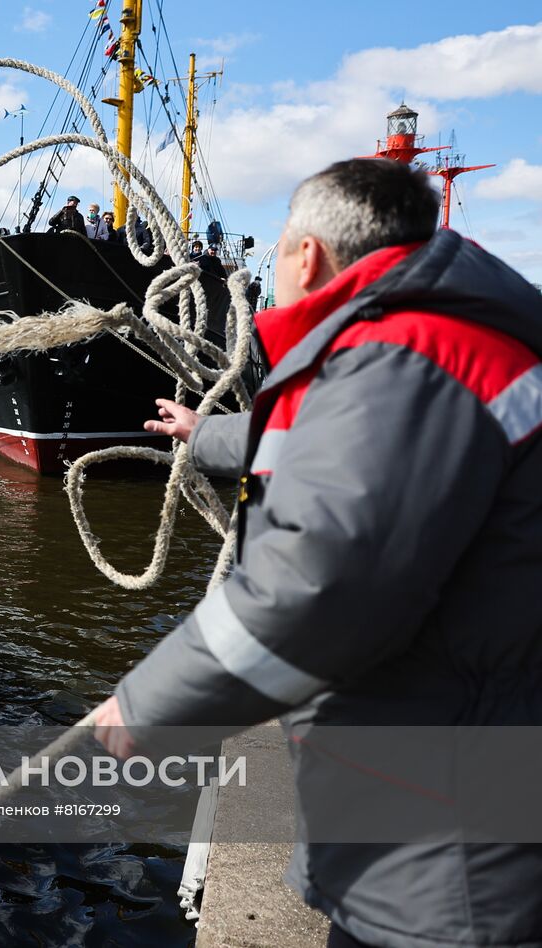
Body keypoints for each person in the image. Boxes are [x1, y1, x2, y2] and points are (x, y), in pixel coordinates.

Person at [95, 158, 542, 947]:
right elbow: (319, 449)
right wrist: (205, 437)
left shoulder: (412, 355)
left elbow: (321, 587)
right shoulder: (430, 346)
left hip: (448, 841)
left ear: (306, 256)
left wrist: (147, 704)